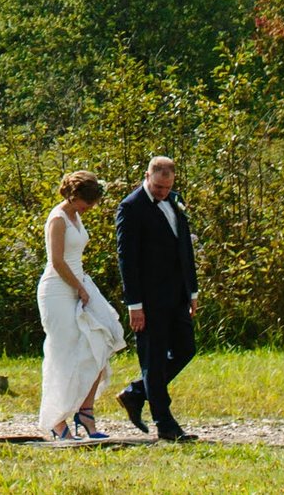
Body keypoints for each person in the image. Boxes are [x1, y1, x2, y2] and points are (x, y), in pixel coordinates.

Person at [114, 155, 199, 441]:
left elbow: (184, 248)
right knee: (153, 358)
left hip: (177, 295)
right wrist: (134, 305)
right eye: (159, 187)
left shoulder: (175, 200)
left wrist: (192, 291)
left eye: (168, 187)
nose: (163, 193)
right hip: (149, 301)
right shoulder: (131, 207)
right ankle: (165, 425)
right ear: (148, 176)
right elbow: (127, 260)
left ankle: (137, 392)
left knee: (186, 349)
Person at [37, 169, 125, 441]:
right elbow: (57, 261)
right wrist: (78, 288)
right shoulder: (58, 218)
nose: (90, 208)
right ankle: (57, 421)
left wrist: (83, 288)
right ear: (74, 196)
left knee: (107, 335)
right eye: (87, 202)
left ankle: (85, 411)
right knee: (64, 353)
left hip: (80, 283)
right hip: (58, 290)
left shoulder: (75, 216)